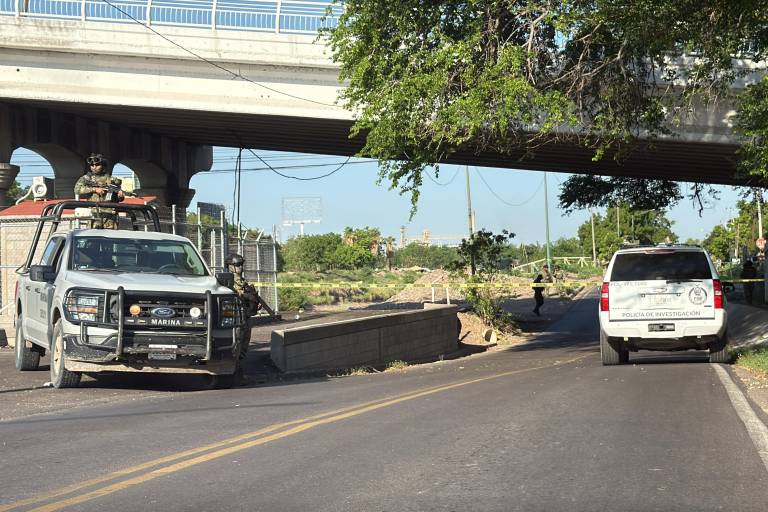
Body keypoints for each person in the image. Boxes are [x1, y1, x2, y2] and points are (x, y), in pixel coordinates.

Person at [225, 254, 260, 364]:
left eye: (241, 264)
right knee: (236, 344)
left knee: (244, 345)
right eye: (237, 265)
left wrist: (253, 301)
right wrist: (242, 295)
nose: (240, 267)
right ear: (230, 266)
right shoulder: (227, 280)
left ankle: (238, 366)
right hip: (236, 318)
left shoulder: (243, 282)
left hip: (246, 316)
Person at [73, 153, 125, 229]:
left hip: (110, 216)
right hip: (94, 214)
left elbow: (118, 199)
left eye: (97, 165)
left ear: (103, 166)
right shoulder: (86, 178)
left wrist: (120, 196)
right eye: (92, 165)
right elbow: (77, 189)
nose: (94, 167)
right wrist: (94, 189)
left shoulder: (112, 180)